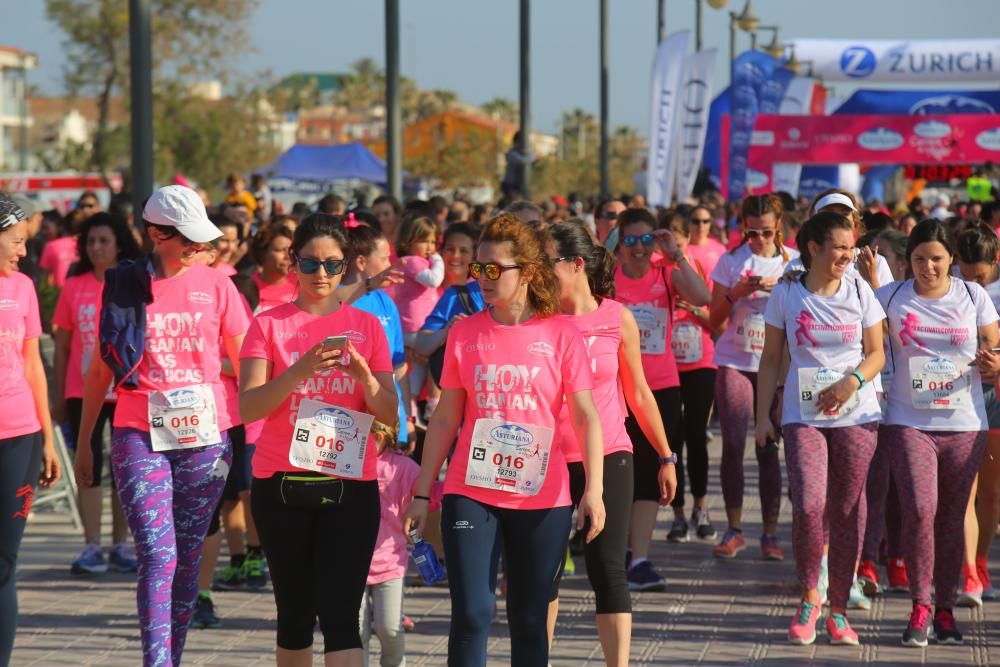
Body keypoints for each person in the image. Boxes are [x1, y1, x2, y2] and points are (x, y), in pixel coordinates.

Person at [403, 212, 606, 667]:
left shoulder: (561, 333)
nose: (483, 278)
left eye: (494, 269)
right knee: (473, 613)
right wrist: (422, 491)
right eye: (478, 268)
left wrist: (593, 490)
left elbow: (587, 416)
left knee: (530, 618)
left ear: (528, 273)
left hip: (542, 497)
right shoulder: (465, 332)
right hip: (470, 492)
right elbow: (444, 418)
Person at [73, 185, 250, 666]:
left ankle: (172, 655)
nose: (199, 246)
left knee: (189, 561)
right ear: (156, 234)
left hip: (206, 442)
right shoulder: (124, 284)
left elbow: (248, 359)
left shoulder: (218, 285)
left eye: (200, 237)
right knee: (157, 554)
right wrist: (86, 441)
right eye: (188, 238)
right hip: (137, 434)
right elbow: (99, 370)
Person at [239, 213, 398, 665]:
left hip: (350, 485)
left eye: (332, 265)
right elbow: (249, 407)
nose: (322, 274)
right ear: (294, 263)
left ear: (348, 264)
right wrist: (299, 371)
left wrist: (366, 379)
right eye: (310, 264)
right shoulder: (267, 325)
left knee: (342, 617)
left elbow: (390, 413)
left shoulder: (366, 327)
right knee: (293, 616)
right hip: (282, 484)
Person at [543, 220, 677, 667]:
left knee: (607, 569)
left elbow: (638, 392)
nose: (538, 270)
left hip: (610, 454)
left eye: (548, 261)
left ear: (576, 264)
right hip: (547, 460)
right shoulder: (537, 318)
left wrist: (665, 455)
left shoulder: (615, 316)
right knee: (546, 573)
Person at [755, 211, 885, 645]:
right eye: (841, 248)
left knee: (848, 512)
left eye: (851, 247)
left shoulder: (860, 290)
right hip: (803, 416)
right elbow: (771, 358)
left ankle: (840, 609)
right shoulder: (788, 294)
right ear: (814, 248)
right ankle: (811, 595)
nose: (849, 256)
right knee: (810, 505)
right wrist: (761, 418)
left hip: (857, 415)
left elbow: (876, 353)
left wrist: (853, 382)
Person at [875, 218, 999, 647]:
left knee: (949, 518)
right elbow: (856, 329)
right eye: (919, 259)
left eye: (937, 259)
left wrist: (993, 363)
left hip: (965, 423)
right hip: (908, 422)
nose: (928, 267)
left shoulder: (973, 295)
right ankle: (920, 605)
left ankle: (944, 608)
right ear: (908, 259)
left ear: (953, 261)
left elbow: (995, 346)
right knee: (920, 511)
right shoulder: (889, 296)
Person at [612, 207, 709, 590]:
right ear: (619, 242)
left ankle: (640, 559)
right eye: (630, 240)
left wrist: (675, 255)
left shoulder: (665, 272)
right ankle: (616, 551)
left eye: (645, 239)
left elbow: (702, 296)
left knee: (652, 473)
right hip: (616, 389)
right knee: (618, 471)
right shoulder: (609, 278)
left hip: (661, 387)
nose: (638, 248)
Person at [708, 194, 799, 560]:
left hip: (775, 368)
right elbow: (713, 319)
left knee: (768, 448)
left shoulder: (795, 261)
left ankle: (770, 534)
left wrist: (781, 292)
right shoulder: (731, 261)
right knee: (731, 444)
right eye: (751, 233)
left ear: (778, 226)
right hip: (735, 359)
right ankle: (733, 528)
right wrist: (736, 294)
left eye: (765, 232)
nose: (758, 240)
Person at [52, 212, 142, 574]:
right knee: (88, 467)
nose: (96, 247)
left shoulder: (131, 282)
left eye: (104, 240)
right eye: (90, 241)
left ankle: (121, 544)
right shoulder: (74, 286)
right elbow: (61, 346)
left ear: (119, 242)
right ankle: (91, 545)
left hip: (123, 389)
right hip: (81, 388)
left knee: (123, 469)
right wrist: (58, 396)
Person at [0, 194, 61, 666]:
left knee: (4, 564)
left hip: (18, 435)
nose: (23, 252)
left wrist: (47, 438)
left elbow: (33, 364)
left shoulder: (22, 288)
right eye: (16, 242)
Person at [662, 210, 722, 542]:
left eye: (679, 242)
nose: (673, 250)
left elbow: (720, 321)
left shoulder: (696, 268)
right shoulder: (656, 272)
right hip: (665, 366)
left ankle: (702, 508)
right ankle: (678, 514)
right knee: (672, 443)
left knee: (697, 436)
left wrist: (694, 308)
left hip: (700, 363)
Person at [360, 421, 433, 667]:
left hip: (390, 562)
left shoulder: (402, 467)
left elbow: (429, 490)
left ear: (381, 436)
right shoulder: (346, 463)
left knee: (390, 629)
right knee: (355, 633)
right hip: (349, 563)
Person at [954, 223, 1000, 606]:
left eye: (980, 277)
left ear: (994, 262)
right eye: (965, 275)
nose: (973, 284)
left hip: (996, 398)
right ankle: (967, 569)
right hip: (959, 396)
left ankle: (981, 562)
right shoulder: (950, 290)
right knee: (964, 491)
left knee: (991, 491)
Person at [394, 215, 444, 424]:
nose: (430, 247)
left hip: (418, 327)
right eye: (424, 241)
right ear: (409, 240)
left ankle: (411, 407)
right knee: (435, 356)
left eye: (433, 242)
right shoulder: (413, 262)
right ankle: (433, 404)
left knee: (419, 371)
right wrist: (438, 259)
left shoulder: (419, 261)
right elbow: (434, 280)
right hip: (415, 326)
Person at [250, 224, 297, 313]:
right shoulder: (245, 288)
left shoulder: (302, 286)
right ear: (262, 253)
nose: (288, 256)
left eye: (291, 251)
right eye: (280, 250)